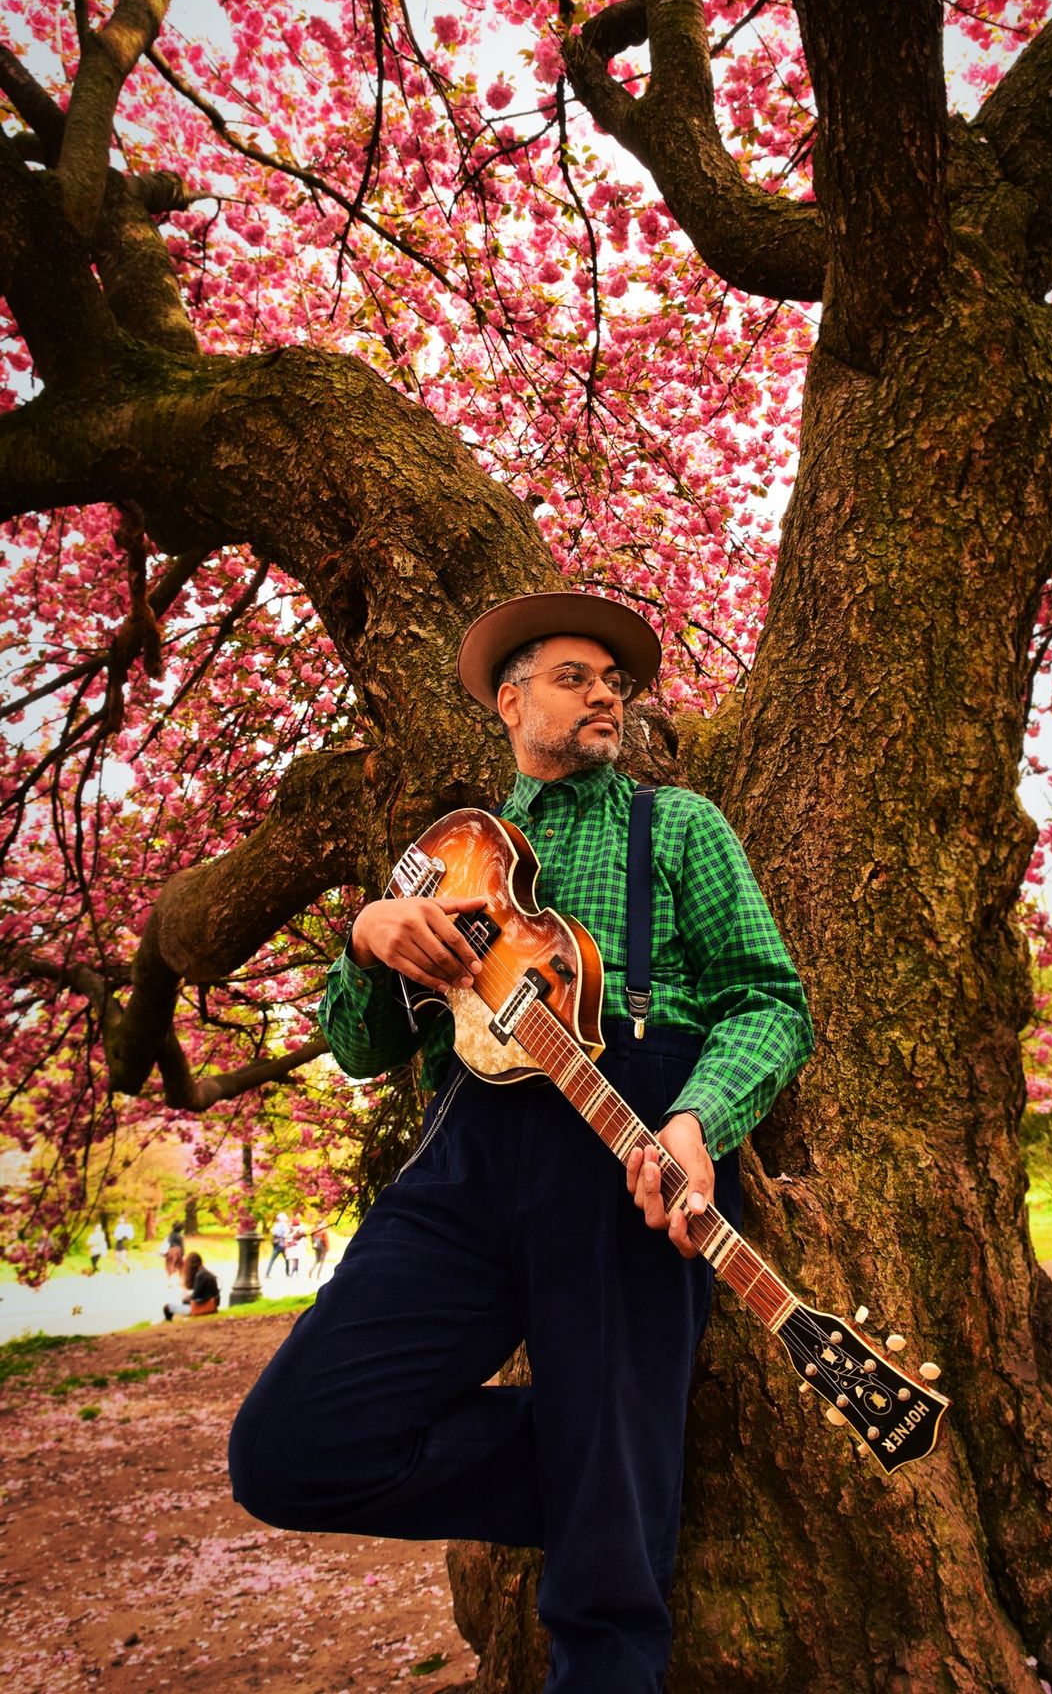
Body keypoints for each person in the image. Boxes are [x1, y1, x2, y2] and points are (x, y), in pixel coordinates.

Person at [229, 591, 814, 1694]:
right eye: (576, 676)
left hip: (628, 1151)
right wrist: (365, 938)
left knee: (607, 1591)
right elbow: (356, 1049)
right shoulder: (438, 860)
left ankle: (617, 1494)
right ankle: (617, 1467)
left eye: (618, 683)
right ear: (511, 699)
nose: (607, 695)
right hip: (463, 1159)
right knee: (290, 1452)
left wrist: (696, 1124)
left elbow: (771, 1005)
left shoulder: (678, 827)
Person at [163, 1251, 220, 1319]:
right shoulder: (205, 1272)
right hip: (211, 1305)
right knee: (184, 1301)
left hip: (204, 1307)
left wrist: (187, 1298)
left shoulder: (200, 1275)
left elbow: (194, 1297)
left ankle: (169, 1321)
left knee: (167, 1308)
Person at [263, 1211, 289, 1279]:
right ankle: (287, 1273)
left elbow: (273, 1233)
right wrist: (286, 1244)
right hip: (282, 1244)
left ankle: (267, 1273)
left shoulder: (276, 1225)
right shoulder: (284, 1225)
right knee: (286, 1259)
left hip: (276, 1243)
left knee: (272, 1259)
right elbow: (285, 1235)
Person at [284, 1214, 304, 1279]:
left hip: (293, 1246)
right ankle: (294, 1271)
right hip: (296, 1246)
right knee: (296, 1259)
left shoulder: (293, 1229)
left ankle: (293, 1272)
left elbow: (287, 1237)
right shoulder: (299, 1228)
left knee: (294, 1259)